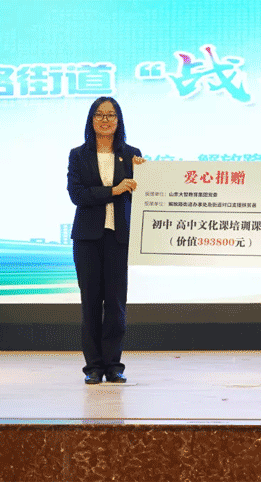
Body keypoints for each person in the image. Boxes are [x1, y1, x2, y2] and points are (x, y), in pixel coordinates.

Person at [67, 97, 145, 385]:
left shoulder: (131, 154)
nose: (105, 120)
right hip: (87, 238)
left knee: (115, 303)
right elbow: (77, 195)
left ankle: (113, 365)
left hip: (118, 236)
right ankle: (93, 367)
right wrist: (114, 190)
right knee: (90, 302)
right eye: (99, 115)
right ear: (91, 120)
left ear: (118, 120)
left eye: (111, 115)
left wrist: (144, 174)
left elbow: (142, 195)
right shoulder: (78, 155)